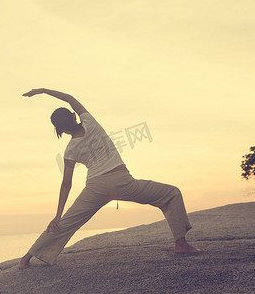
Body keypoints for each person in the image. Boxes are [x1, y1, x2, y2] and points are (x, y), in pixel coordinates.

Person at [18, 88, 206, 269]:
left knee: (65, 223)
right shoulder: (90, 122)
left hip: (95, 188)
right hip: (121, 181)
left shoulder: (70, 150)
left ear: (60, 130)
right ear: (73, 117)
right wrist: (42, 90)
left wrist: (58, 215)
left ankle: (26, 259)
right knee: (171, 194)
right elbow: (68, 97)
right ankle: (180, 244)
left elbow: (66, 184)